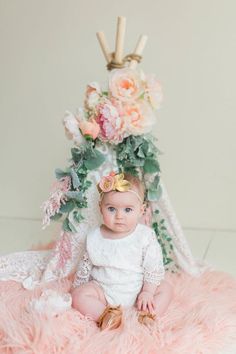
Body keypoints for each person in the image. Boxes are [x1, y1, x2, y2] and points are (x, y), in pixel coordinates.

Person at [71, 172, 173, 330]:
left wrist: (147, 292)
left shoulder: (144, 236)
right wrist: (80, 286)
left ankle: (148, 315)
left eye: (127, 210)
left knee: (165, 288)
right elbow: (85, 267)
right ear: (101, 209)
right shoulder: (94, 237)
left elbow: (153, 267)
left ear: (141, 210)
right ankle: (106, 316)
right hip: (104, 292)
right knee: (78, 295)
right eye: (111, 209)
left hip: (138, 290)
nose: (119, 216)